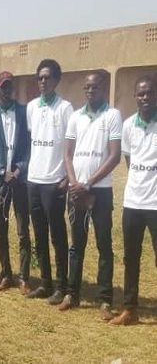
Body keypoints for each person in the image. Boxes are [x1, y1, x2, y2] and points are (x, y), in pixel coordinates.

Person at [60, 71, 121, 319]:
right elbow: (67, 154)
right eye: (86, 87)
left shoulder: (112, 115)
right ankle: (71, 294)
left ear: (103, 88)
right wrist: (74, 183)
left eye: (94, 87)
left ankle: (105, 299)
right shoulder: (75, 117)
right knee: (76, 244)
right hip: (76, 191)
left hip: (100, 191)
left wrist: (88, 183)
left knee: (104, 245)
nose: (90, 91)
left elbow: (114, 156)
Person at [110, 75, 157, 326]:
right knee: (131, 257)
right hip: (133, 202)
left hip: (156, 204)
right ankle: (130, 309)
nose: (145, 97)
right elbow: (129, 162)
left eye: (149, 93)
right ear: (135, 97)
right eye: (141, 93)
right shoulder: (128, 125)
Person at [26, 59, 74, 304]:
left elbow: (71, 144)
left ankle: (62, 285)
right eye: (40, 77)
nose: (43, 81)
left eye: (47, 77)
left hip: (54, 181)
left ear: (57, 79)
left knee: (57, 236)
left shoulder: (65, 108)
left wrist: (67, 176)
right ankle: (45, 283)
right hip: (33, 180)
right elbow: (33, 138)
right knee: (39, 234)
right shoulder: (32, 107)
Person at [0, 72, 31, 295]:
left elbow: (29, 147)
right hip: (0, 181)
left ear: (13, 89)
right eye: (3, 87)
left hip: (19, 180)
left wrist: (19, 169)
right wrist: (2, 171)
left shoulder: (24, 112)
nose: (6, 90)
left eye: (9, 87)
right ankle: (6, 274)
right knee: (1, 229)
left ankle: (24, 277)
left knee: (22, 230)